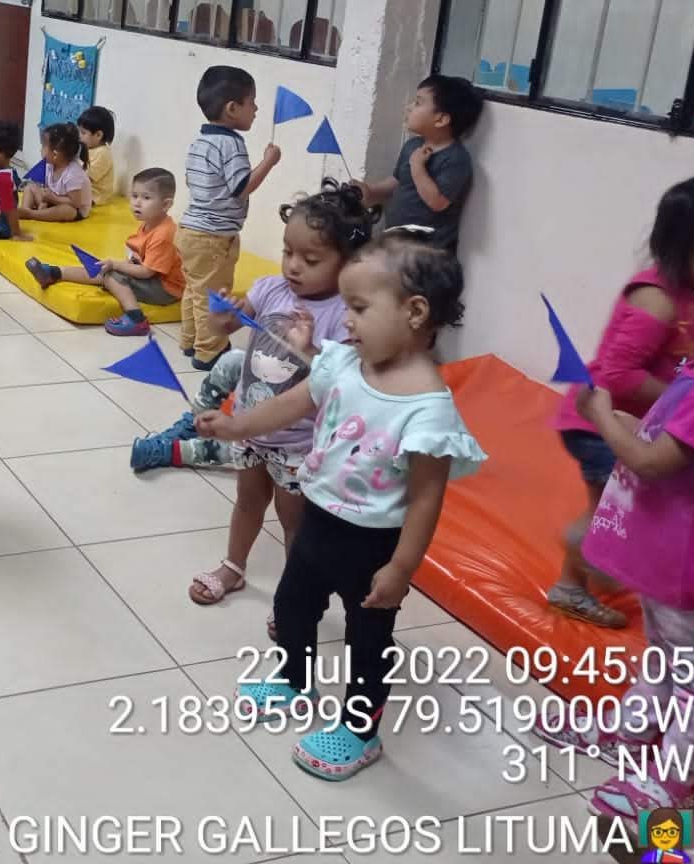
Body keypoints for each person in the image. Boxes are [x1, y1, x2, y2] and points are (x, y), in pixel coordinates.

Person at [205, 230, 485, 780]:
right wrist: (237, 425)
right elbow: (291, 404)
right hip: (318, 514)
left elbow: (427, 497)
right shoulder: (344, 364)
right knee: (293, 605)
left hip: (373, 543)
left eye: (358, 307)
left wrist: (401, 568)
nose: (346, 320)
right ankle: (294, 680)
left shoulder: (428, 410)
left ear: (414, 312)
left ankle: (360, 731)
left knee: (367, 640)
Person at [136, 182, 380, 636]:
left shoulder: (344, 316)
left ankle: (294, 595)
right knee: (247, 502)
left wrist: (310, 348)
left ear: (347, 263)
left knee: (293, 523)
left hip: (299, 444)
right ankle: (234, 566)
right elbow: (224, 327)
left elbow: (341, 383)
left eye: (310, 260)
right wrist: (223, 313)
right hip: (252, 429)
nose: (293, 265)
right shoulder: (270, 289)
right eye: (288, 252)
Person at [546, 177, 694, 628]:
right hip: (599, 419)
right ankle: (577, 575)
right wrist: (678, 405)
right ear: (684, 243)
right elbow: (618, 374)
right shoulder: (657, 299)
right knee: (613, 508)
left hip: (640, 421)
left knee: (617, 504)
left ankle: (581, 570)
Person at [557, 370, 694, 825]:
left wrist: (603, 416)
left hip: (690, 563)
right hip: (666, 552)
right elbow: (672, 441)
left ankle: (673, 783)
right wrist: (622, 421)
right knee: (662, 654)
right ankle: (630, 734)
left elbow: (652, 463)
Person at [179, 65, 281, 369]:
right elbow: (242, 187)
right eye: (252, 102)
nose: (256, 109)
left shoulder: (200, 141)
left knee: (194, 291)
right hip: (212, 237)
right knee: (212, 297)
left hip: (189, 231)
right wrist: (268, 162)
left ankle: (189, 341)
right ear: (232, 108)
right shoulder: (231, 144)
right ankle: (209, 352)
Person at [26, 167, 184, 336]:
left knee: (111, 275)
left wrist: (116, 265)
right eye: (134, 196)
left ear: (166, 204)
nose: (137, 203)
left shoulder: (164, 233)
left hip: (165, 289)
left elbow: (146, 272)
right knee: (101, 267)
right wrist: (117, 265)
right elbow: (138, 260)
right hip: (150, 277)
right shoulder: (150, 223)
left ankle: (137, 319)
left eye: (146, 198)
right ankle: (54, 273)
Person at [351, 76, 482, 253]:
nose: (409, 107)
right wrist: (371, 192)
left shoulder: (456, 158)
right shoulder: (412, 145)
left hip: (427, 253)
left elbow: (437, 202)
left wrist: (418, 167)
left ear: (441, 120)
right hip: (395, 243)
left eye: (418, 103)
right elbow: (397, 181)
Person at [19, 121, 93, 223]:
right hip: (55, 201)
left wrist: (53, 198)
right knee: (30, 188)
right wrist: (45, 201)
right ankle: (25, 210)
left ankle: (31, 214)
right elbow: (48, 189)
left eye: (43, 146)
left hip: (75, 209)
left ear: (55, 154)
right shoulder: (49, 165)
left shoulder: (73, 173)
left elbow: (75, 203)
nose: (40, 150)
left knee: (66, 210)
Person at [78, 105, 117, 206]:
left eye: (83, 133)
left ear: (98, 135)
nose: (79, 136)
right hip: (83, 190)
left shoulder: (102, 153)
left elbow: (85, 179)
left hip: (96, 196)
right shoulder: (87, 148)